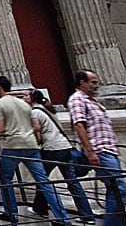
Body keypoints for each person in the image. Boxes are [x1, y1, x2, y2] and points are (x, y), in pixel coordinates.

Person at [0, 76, 70, 226]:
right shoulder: (25, 104)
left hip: (13, 145)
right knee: (44, 181)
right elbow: (36, 127)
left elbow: (0, 128)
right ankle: (63, 218)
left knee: (5, 179)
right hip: (31, 145)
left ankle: (11, 213)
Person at [70, 70, 126, 226]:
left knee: (115, 187)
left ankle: (116, 222)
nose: (97, 85)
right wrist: (90, 151)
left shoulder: (93, 102)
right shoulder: (77, 99)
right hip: (99, 150)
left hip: (108, 150)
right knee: (119, 187)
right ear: (82, 82)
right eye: (94, 82)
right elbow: (79, 125)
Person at [29, 88, 94, 224]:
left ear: (32, 98)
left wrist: (36, 141)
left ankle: (40, 208)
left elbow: (37, 131)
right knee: (72, 182)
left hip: (52, 149)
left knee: (42, 178)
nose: (24, 98)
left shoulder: (35, 111)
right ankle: (87, 215)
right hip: (65, 147)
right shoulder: (50, 110)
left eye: (25, 96)